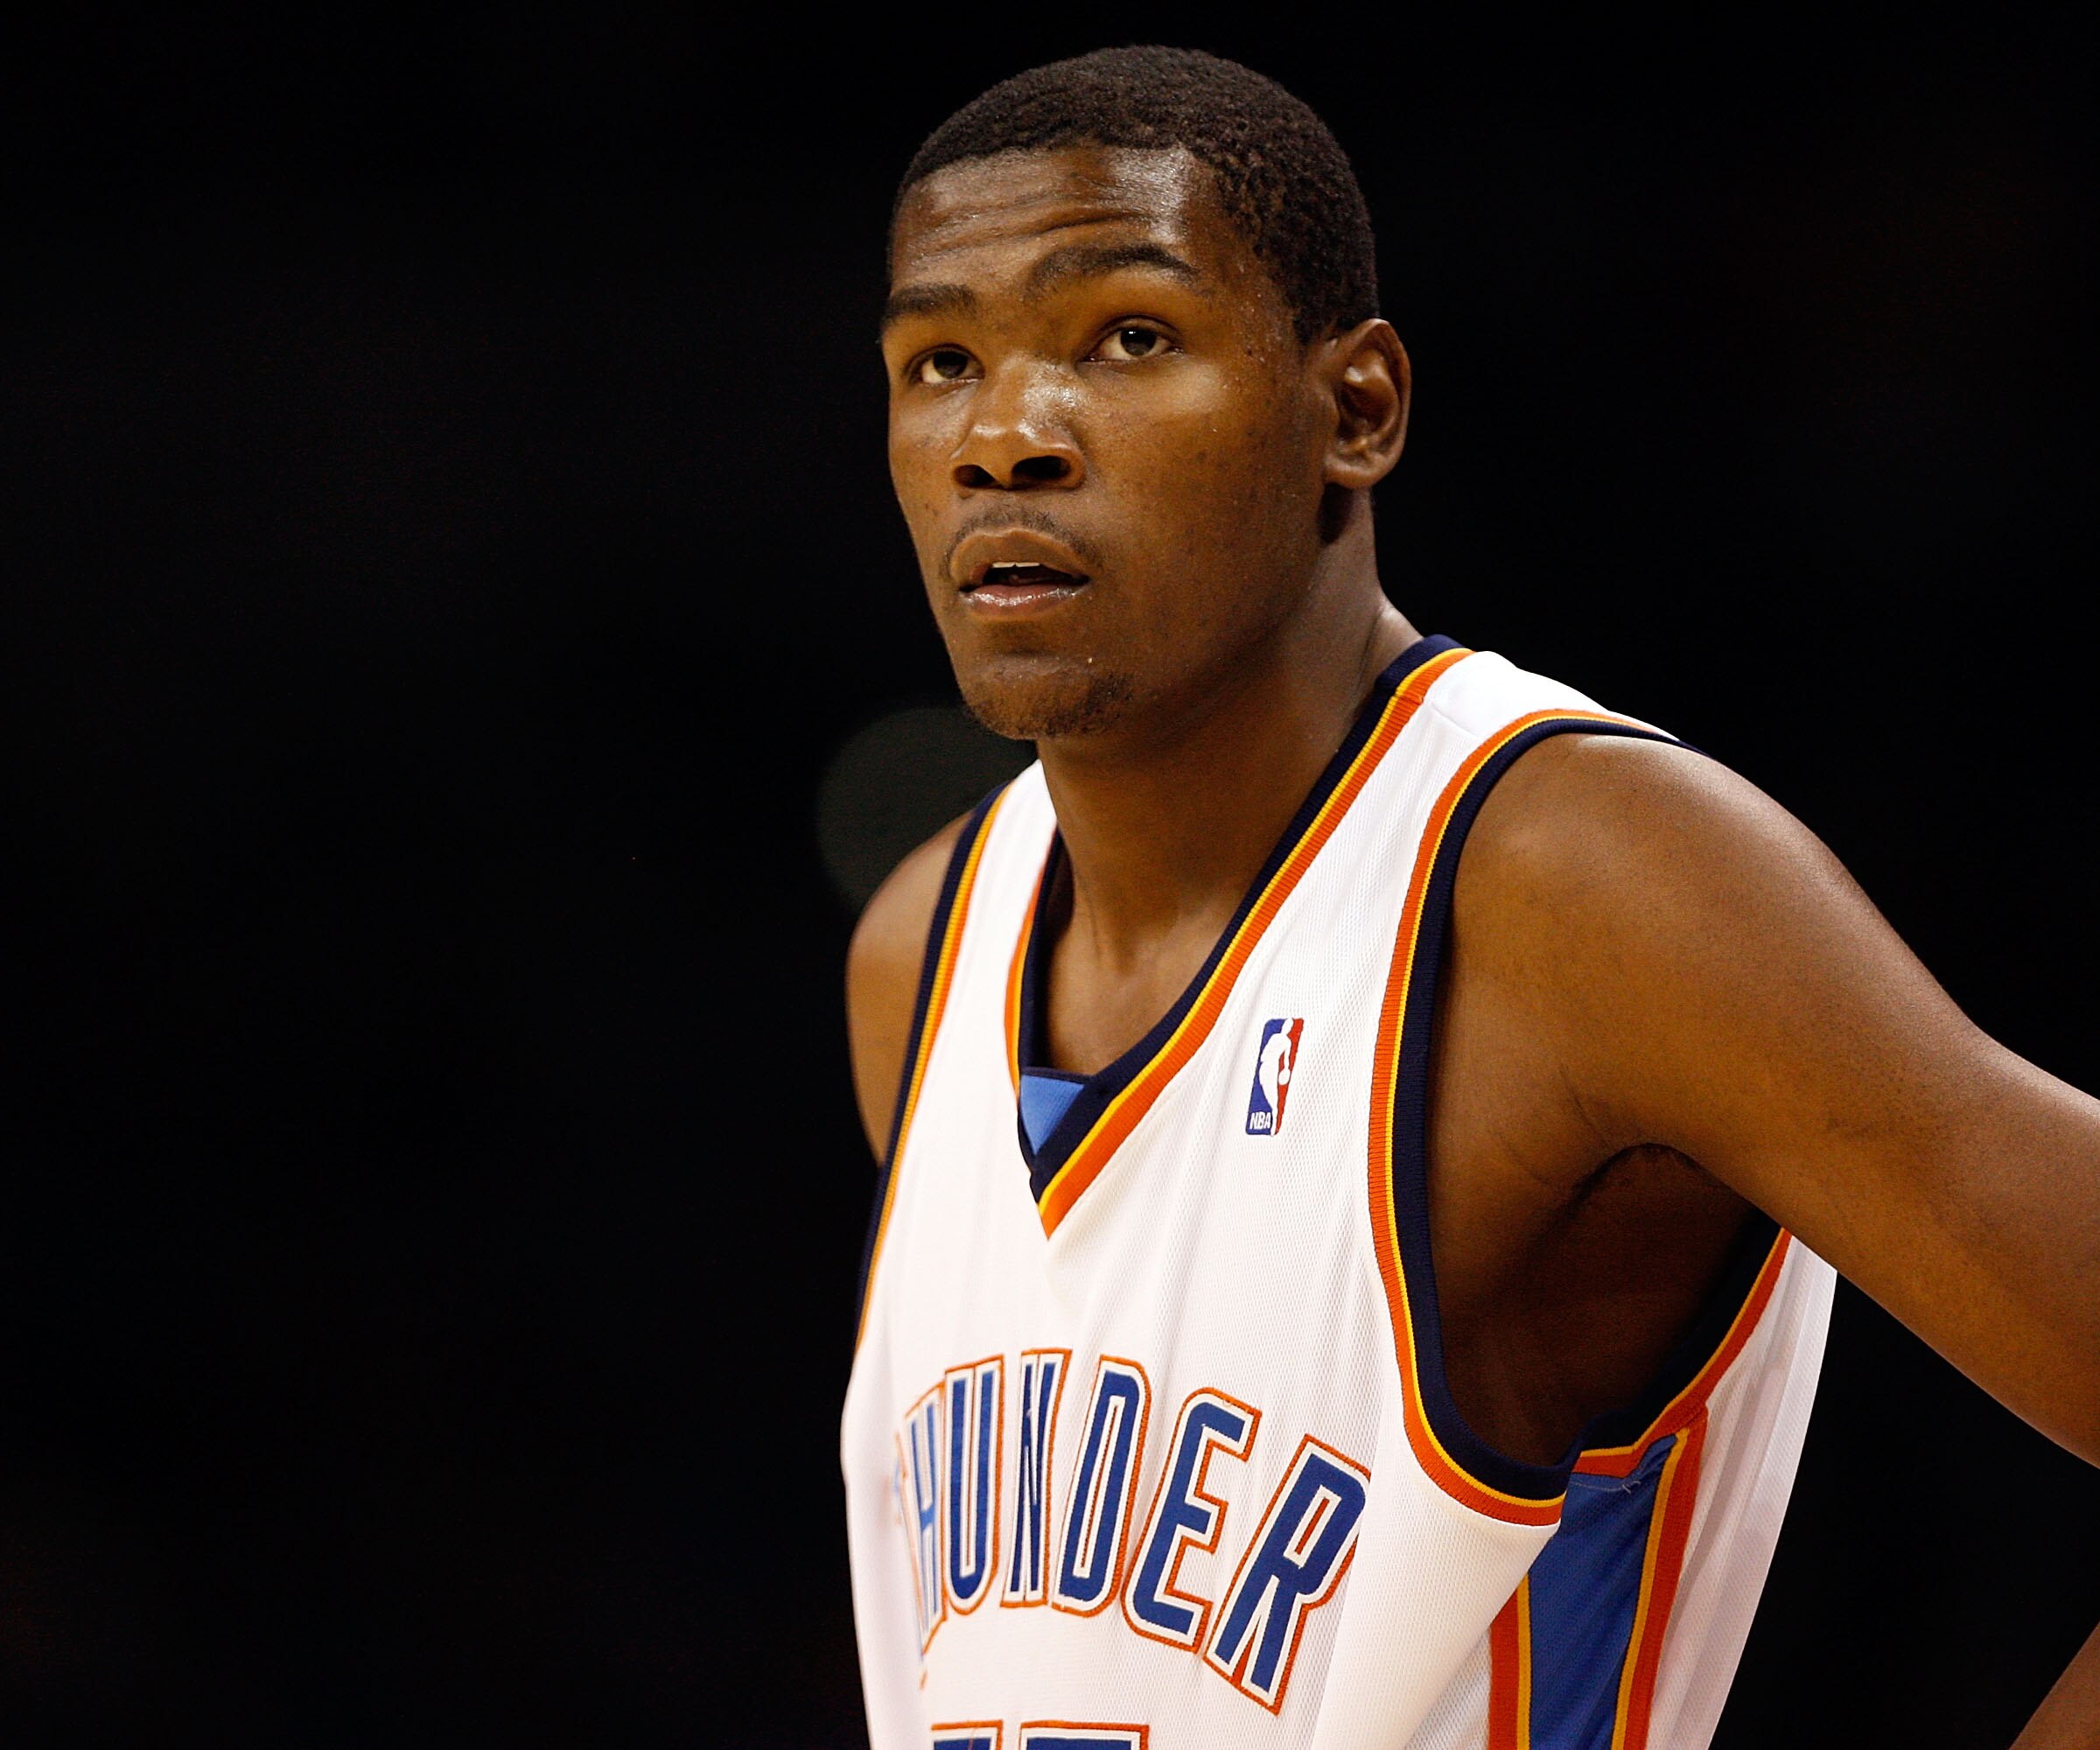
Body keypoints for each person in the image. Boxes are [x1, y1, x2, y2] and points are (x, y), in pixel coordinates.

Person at [841, 46, 2099, 1749]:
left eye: (1125, 337)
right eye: (941, 363)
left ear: (1354, 410)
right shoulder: (923, 948)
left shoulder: (1579, 887)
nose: (1006, 435)